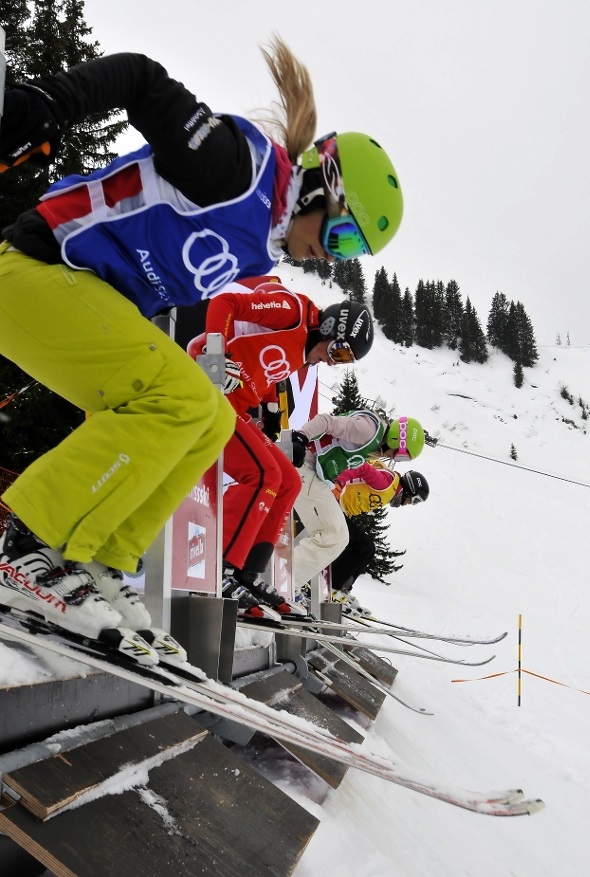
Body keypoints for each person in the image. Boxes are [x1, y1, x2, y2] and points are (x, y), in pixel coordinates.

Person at [0, 36, 403, 658]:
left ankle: (103, 556)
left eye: (351, 253)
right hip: (38, 266)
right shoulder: (238, 171)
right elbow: (139, 77)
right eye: (343, 235)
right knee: (186, 398)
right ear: (323, 191)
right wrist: (46, 103)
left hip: (75, 296)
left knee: (211, 421)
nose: (334, 255)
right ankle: (30, 545)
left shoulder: (261, 241)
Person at [187, 279, 375, 618]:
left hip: (235, 406)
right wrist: (215, 357)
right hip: (203, 388)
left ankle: (247, 573)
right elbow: (225, 303)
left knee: (288, 480)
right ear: (329, 328)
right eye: (339, 351)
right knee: (264, 474)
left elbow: (267, 367)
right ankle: (223, 567)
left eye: (345, 360)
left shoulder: (302, 354)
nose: (335, 362)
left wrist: (272, 407)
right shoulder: (293, 313)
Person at [291, 410, 425, 595]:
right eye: (401, 455)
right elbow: (326, 421)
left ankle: (290, 582)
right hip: (305, 466)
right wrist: (300, 437)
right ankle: (288, 584)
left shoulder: (375, 445)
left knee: (334, 537)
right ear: (396, 440)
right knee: (337, 536)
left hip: (315, 474)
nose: (395, 459)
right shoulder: (368, 430)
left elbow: (350, 462)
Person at [330, 465, 430, 616]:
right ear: (409, 490)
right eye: (414, 500)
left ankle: (341, 588)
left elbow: (371, 463)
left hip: (339, 510)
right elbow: (361, 466)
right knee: (363, 547)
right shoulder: (387, 484)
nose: (409, 504)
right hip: (333, 504)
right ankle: (332, 587)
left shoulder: (389, 487)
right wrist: (338, 484)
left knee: (365, 549)